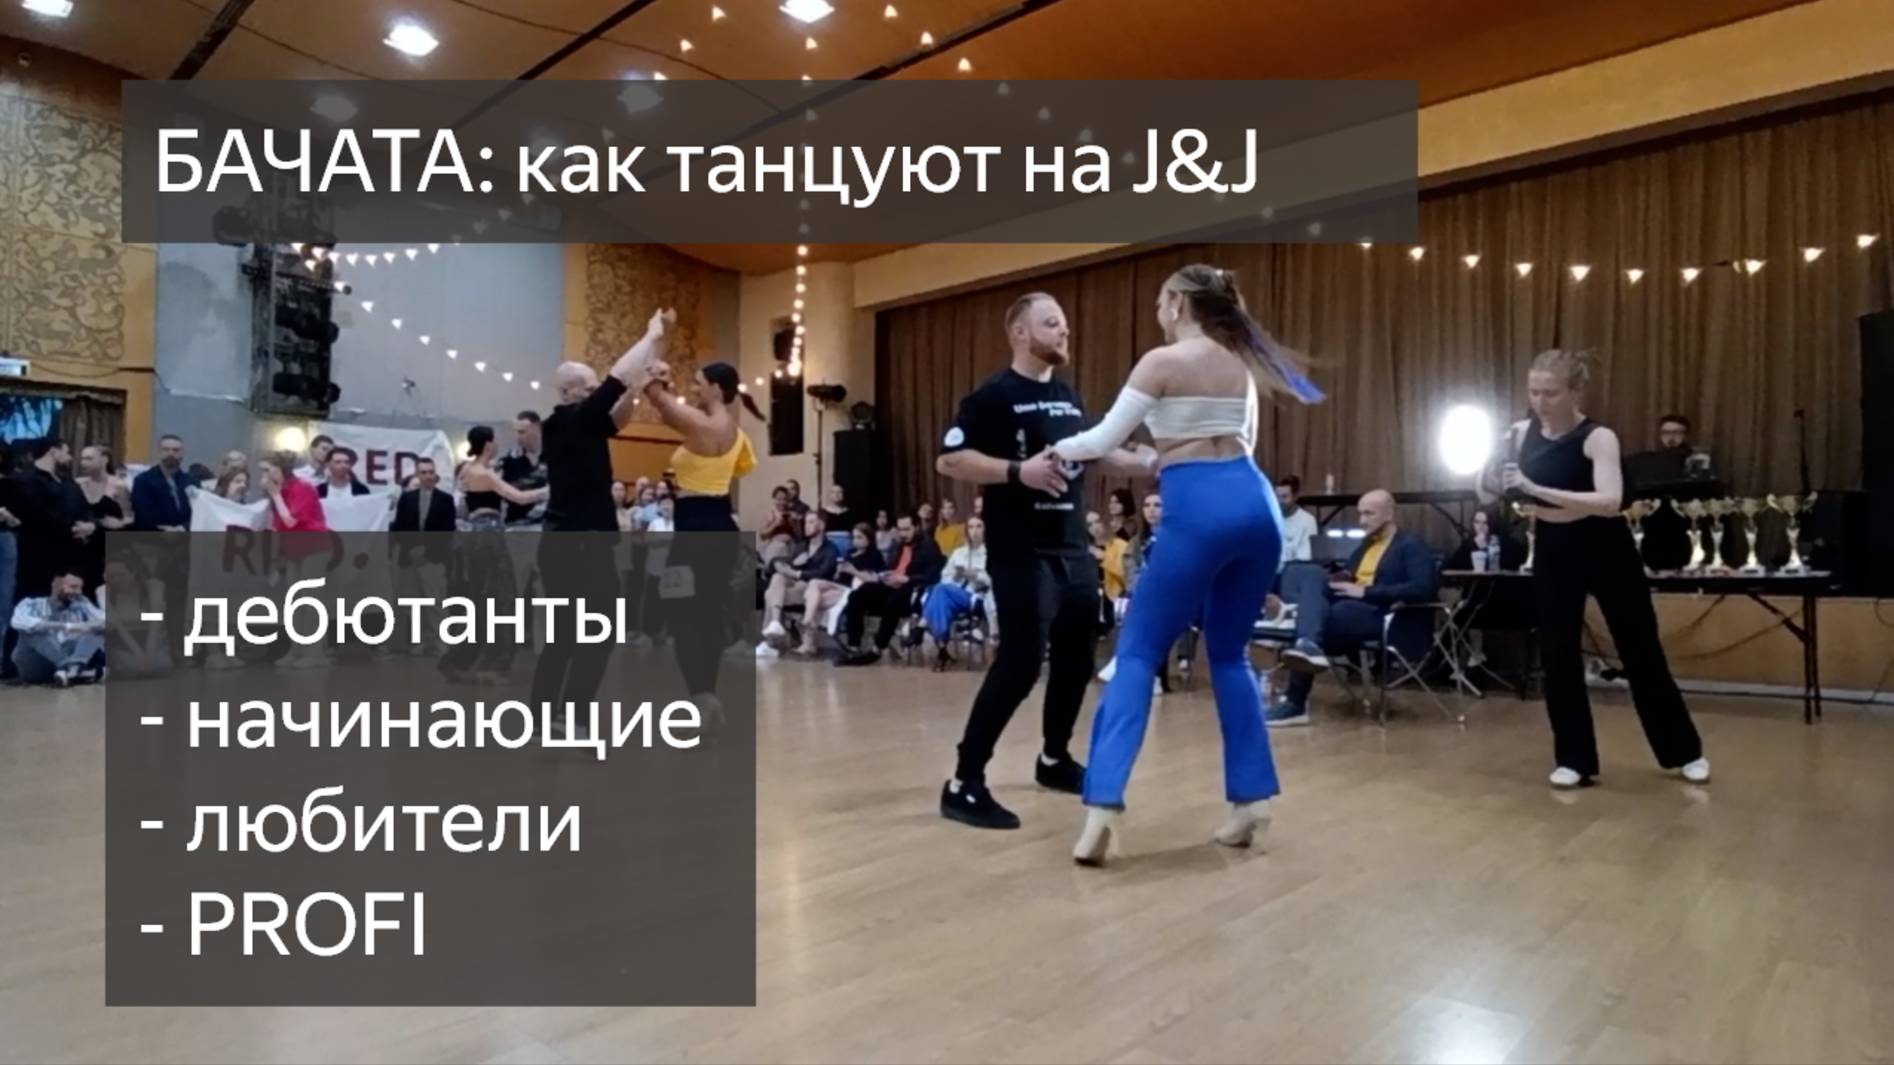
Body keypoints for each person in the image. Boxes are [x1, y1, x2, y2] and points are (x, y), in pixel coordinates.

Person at [1051, 264, 1324, 864]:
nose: (1157, 313)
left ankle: (1102, 805)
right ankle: (1252, 802)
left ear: (1177, 303)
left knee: (1137, 653)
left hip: (1197, 509)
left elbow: (1099, 441)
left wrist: (1056, 449)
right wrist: (1151, 458)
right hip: (1255, 507)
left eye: (1159, 303)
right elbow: (1219, 444)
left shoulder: (1162, 361)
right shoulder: (1242, 364)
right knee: (1228, 654)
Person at [934, 291, 1154, 830]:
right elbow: (950, 460)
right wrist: (1017, 472)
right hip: (1021, 549)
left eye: (1064, 324)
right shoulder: (993, 396)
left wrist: (1149, 460)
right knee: (1022, 661)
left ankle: (1054, 758)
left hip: (1071, 547)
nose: (1063, 332)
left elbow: (1096, 450)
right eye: (1051, 323)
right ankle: (963, 782)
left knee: (1077, 658)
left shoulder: (1067, 396)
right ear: (1020, 332)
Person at [1482, 349, 1709, 788]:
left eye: (1550, 393)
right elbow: (1488, 493)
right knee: (1558, 652)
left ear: (1575, 392)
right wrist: (1489, 474)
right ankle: (1574, 759)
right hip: (1553, 547)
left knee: (1640, 649)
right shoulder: (1519, 433)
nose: (1540, 401)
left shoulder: (1598, 437)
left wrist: (1533, 487)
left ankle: (1683, 751)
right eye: (1534, 392)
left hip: (1606, 546)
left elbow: (1608, 501)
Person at [532, 310, 675, 729]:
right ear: (568, 392)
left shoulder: (575, 425)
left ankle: (547, 717)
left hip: (569, 543)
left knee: (568, 634)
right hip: (580, 545)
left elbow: (617, 418)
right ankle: (568, 716)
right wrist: (650, 335)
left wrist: (639, 387)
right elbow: (618, 376)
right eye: (590, 389)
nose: (597, 393)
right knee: (591, 633)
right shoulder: (570, 421)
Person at [635, 346, 765, 720]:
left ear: (716, 389)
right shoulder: (736, 434)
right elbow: (740, 468)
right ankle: (706, 695)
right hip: (720, 526)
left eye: (698, 383)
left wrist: (655, 369)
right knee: (705, 614)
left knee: (682, 615)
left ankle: (702, 697)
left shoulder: (704, 426)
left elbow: (656, 397)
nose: (693, 389)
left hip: (695, 532)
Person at [1270, 489, 1438, 727]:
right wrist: (1340, 579)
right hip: (1350, 606)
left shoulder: (1411, 546)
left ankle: (1296, 698)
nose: (1362, 521)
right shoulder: (1365, 547)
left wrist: (1366, 592)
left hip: (1385, 613)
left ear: (1389, 514)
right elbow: (1350, 575)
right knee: (1311, 575)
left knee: (1315, 618)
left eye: (1369, 514)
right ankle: (1307, 643)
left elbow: (1423, 588)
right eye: (1360, 514)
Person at [835, 513, 942, 664]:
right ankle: (854, 646)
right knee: (858, 594)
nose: (903, 534)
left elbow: (933, 575)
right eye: (900, 529)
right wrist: (885, 575)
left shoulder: (928, 546)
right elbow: (891, 567)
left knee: (894, 600)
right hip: (892, 584)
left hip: (911, 589)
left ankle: (878, 648)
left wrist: (907, 579)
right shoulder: (898, 545)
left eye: (907, 529)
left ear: (917, 527)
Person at [792, 523, 882, 657]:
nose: (856, 541)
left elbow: (874, 578)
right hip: (840, 585)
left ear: (869, 539)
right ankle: (808, 627)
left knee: (814, 599)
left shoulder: (874, 555)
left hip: (854, 590)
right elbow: (839, 576)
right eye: (854, 537)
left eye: (860, 537)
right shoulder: (850, 553)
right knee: (814, 587)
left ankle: (808, 635)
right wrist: (838, 571)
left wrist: (852, 571)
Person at [922, 512, 994, 669]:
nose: (974, 531)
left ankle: (927, 626)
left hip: (974, 596)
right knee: (941, 596)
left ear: (985, 529)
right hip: (952, 593)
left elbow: (993, 580)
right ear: (967, 530)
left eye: (979, 526)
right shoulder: (958, 552)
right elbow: (944, 576)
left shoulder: (990, 553)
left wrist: (976, 575)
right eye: (971, 527)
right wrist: (955, 576)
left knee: (938, 591)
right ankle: (942, 650)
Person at [759, 510, 838, 649]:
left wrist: (798, 573)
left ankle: (769, 643)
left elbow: (824, 573)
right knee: (777, 577)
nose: (806, 526)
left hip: (812, 589)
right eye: (806, 522)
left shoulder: (830, 549)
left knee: (769, 594)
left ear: (821, 525)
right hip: (794, 585)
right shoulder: (801, 546)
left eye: (811, 522)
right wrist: (780, 563)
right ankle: (775, 623)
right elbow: (786, 561)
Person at [10, 571, 106, 686]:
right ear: (56, 586)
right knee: (33, 629)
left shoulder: (81, 604)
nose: (79, 592)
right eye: (73, 587)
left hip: (67, 659)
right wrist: (67, 626)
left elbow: (105, 622)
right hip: (36, 665)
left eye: (80, 588)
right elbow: (20, 623)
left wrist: (84, 626)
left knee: (98, 628)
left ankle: (74, 669)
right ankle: (74, 670)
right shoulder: (31, 604)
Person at [75, 444, 128, 593]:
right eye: (82, 459)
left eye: (89, 459)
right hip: (83, 547)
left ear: (104, 460)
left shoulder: (118, 486)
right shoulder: (77, 484)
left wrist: (120, 524)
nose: (84, 463)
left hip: (109, 548)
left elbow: (130, 517)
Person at [129, 434, 194, 531]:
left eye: (176, 450)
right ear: (158, 453)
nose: (171, 454)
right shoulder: (143, 481)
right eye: (166, 450)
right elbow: (143, 514)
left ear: (182, 454)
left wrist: (181, 528)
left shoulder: (191, 482)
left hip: (185, 536)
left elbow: (199, 513)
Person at [500, 410, 548, 526]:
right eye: (516, 432)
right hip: (518, 525)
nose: (518, 437)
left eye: (522, 432)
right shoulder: (508, 461)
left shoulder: (557, 457)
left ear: (536, 429)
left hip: (549, 525)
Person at [1275, 475, 1317, 565]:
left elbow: (1305, 558)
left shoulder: (1308, 521)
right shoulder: (1270, 520)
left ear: (1295, 497)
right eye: (1277, 497)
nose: (1279, 501)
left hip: (1294, 570)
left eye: (1284, 497)